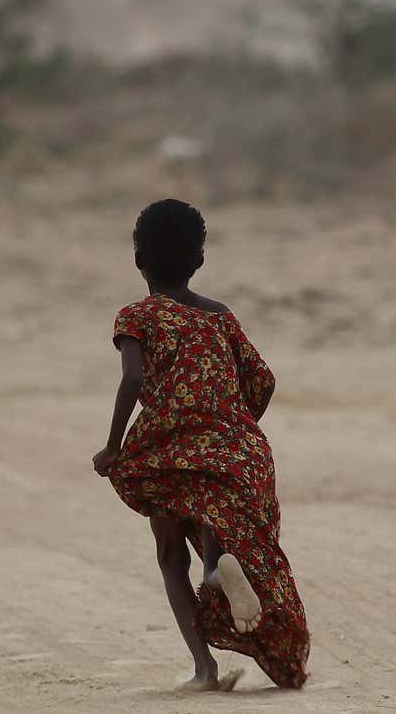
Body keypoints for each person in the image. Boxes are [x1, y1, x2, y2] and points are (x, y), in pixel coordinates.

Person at [92, 199, 310, 691]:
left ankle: (204, 669)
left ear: (137, 259)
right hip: (234, 449)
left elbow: (132, 380)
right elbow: (264, 380)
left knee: (171, 554)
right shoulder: (220, 317)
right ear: (200, 259)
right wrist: (230, 429)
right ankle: (216, 568)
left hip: (168, 448)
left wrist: (111, 448)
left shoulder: (137, 316)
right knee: (213, 503)